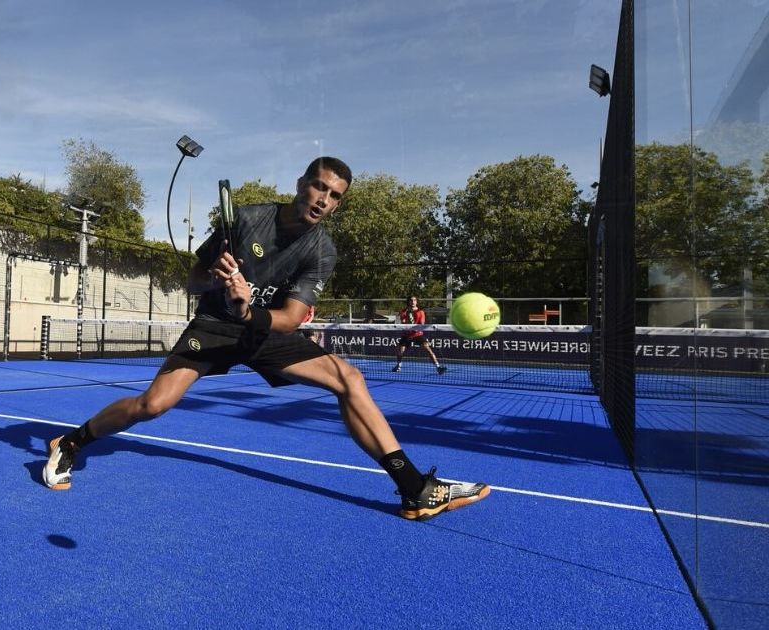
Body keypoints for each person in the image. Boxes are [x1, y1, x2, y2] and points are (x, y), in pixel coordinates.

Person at [42, 157, 488, 521]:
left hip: (263, 329)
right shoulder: (250, 220)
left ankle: (414, 489)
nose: (323, 200)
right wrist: (217, 280)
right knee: (152, 406)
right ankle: (72, 443)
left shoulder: (322, 250)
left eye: (334, 196)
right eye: (318, 187)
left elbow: (291, 318)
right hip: (214, 328)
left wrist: (248, 308)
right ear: (301, 184)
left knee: (349, 378)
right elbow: (194, 280)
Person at [392, 296, 446, 374]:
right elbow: (403, 322)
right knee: (400, 352)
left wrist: (415, 326)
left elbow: (422, 324)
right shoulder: (404, 311)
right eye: (411, 300)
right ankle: (398, 366)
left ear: (416, 302)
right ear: (408, 302)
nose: (413, 302)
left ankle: (438, 367)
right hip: (407, 334)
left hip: (418, 334)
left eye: (414, 300)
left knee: (428, 349)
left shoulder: (420, 312)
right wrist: (406, 319)